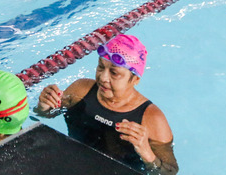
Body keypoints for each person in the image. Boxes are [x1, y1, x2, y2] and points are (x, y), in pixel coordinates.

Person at [34, 35, 178, 174]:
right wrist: (44, 106)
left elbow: (169, 172)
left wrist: (146, 152)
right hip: (73, 164)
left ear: (135, 80)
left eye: (114, 73)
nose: (103, 78)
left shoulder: (151, 118)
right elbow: (46, 114)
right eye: (101, 67)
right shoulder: (81, 90)